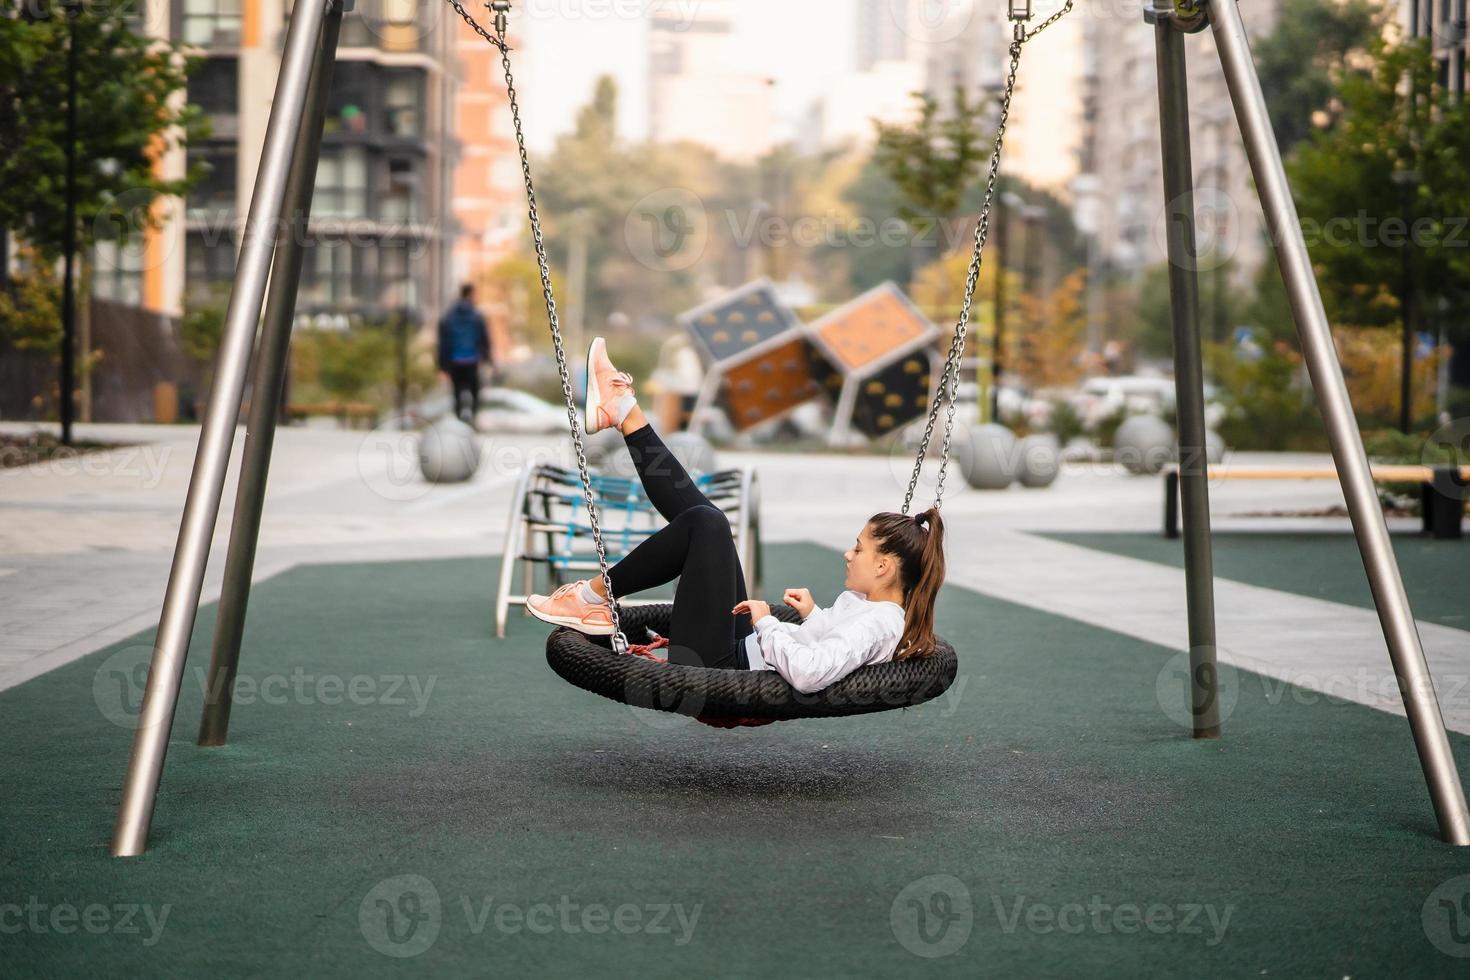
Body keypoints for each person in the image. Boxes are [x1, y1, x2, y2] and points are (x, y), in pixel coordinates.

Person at [525, 337, 946, 694]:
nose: (848, 554)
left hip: (722, 666)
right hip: (740, 650)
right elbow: (832, 645)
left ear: (885, 566)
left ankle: (589, 598)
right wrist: (814, 617)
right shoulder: (867, 606)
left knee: (706, 524)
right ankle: (623, 413)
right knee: (709, 520)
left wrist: (768, 624)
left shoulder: (879, 623)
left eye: (859, 548)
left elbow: (811, 672)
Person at [437, 284, 492, 425]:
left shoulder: (448, 315)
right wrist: (487, 357)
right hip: (471, 359)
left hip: (454, 359)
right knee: (474, 390)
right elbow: (484, 338)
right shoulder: (477, 315)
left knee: (456, 391)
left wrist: (442, 364)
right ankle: (472, 417)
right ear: (470, 295)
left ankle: (458, 418)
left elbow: (443, 341)